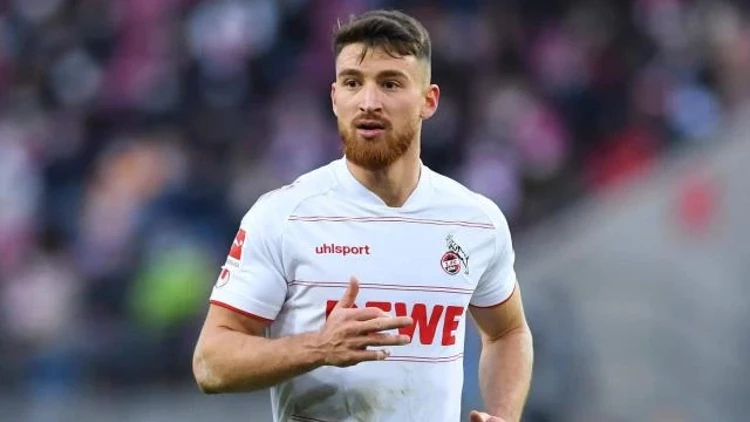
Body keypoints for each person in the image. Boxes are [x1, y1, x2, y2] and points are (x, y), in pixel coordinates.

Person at [192, 9, 533, 422]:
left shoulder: (475, 221)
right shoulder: (284, 217)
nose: (369, 102)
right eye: (353, 83)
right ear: (336, 98)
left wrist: (503, 415)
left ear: (428, 101)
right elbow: (210, 362)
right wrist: (318, 347)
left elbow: (507, 332)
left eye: (390, 83)